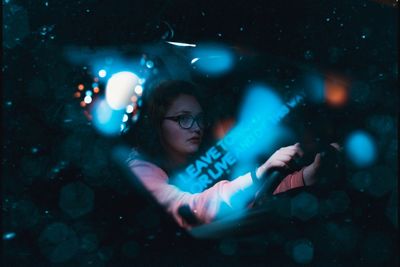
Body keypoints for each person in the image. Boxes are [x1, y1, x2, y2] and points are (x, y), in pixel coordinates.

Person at [127, 80, 333, 229]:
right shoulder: (140, 169)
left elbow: (247, 194)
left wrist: (305, 177)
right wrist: (259, 172)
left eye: (199, 119)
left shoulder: (202, 158)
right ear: (157, 124)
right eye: (183, 118)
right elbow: (190, 209)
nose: (196, 128)